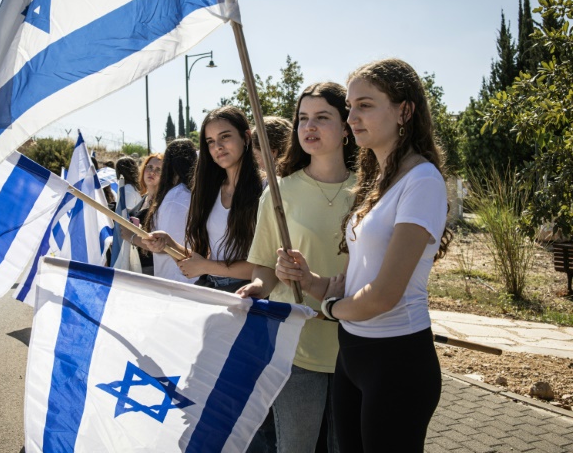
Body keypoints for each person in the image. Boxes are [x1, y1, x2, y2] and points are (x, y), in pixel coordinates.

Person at [275, 59, 452, 453]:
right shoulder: (378, 181)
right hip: (353, 354)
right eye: (350, 106)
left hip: (396, 360)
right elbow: (352, 283)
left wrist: (331, 309)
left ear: (404, 111)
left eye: (365, 105)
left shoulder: (422, 180)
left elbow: (383, 295)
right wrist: (309, 280)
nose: (352, 117)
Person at [238, 82, 356, 453]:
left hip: (356, 344)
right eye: (303, 118)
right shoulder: (278, 191)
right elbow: (264, 265)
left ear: (346, 126)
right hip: (297, 345)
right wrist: (258, 287)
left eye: (322, 117)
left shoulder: (372, 190)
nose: (309, 126)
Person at [144, 106, 263, 293]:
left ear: (246, 137)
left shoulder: (267, 189)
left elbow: (268, 267)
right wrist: (169, 244)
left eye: (225, 136)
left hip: (248, 295)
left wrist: (206, 266)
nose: (218, 147)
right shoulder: (209, 191)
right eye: (210, 141)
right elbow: (205, 259)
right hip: (212, 290)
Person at [135, 139, 197, 283]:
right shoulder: (186, 194)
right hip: (183, 278)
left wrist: (132, 237)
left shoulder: (176, 197)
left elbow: (165, 246)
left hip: (176, 279)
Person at [120, 153, 163, 275]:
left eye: (158, 170)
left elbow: (160, 244)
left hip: (152, 269)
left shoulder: (162, 202)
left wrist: (131, 236)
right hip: (136, 265)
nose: (152, 172)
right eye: (149, 167)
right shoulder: (144, 198)